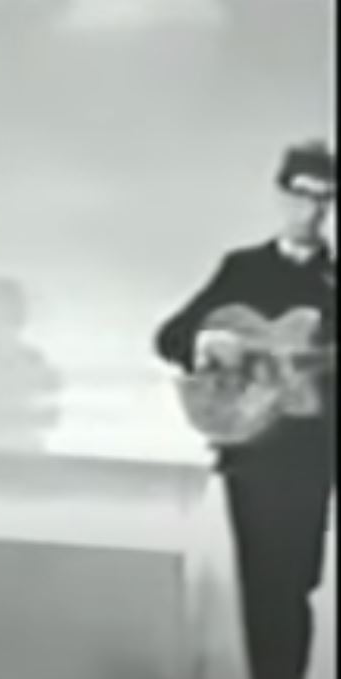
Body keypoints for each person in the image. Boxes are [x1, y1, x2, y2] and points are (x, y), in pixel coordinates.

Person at [155, 141, 336, 679]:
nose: (312, 209)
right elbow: (170, 336)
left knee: (295, 583)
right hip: (251, 450)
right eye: (302, 195)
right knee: (261, 583)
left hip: (312, 453)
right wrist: (209, 342)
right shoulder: (242, 268)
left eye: (325, 198)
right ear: (281, 196)